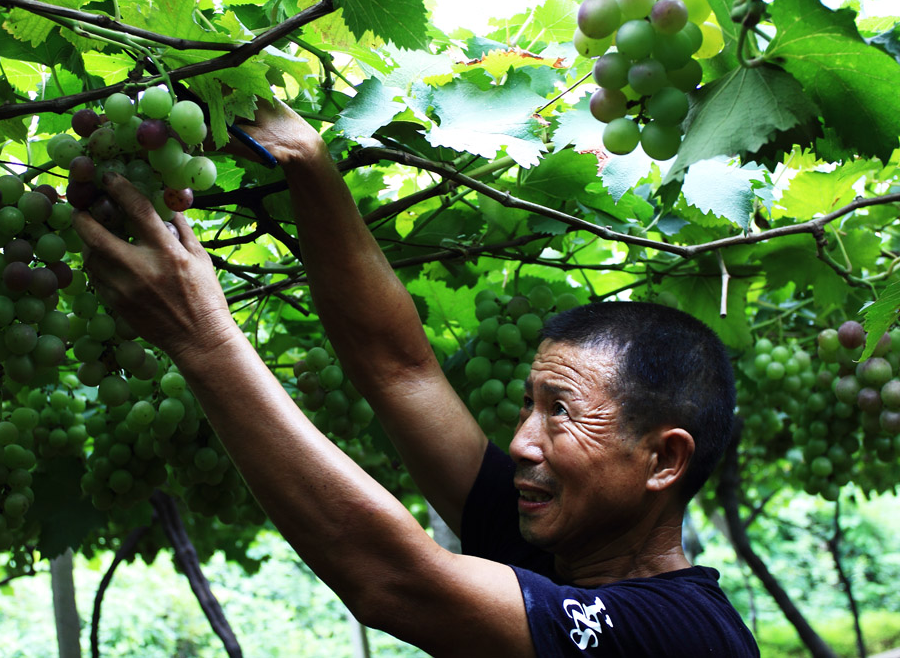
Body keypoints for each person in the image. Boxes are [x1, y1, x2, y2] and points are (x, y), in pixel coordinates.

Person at [74, 100, 759, 656]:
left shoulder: (686, 635)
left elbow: (391, 579)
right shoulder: (544, 537)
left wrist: (202, 338)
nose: (521, 441)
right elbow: (398, 367)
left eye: (560, 411)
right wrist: (309, 166)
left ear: (663, 458)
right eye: (527, 405)